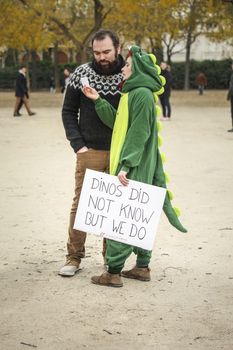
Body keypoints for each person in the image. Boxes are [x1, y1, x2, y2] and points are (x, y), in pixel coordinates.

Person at [82, 45, 187, 288]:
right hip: (140, 162)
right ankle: (142, 266)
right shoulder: (135, 93)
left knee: (122, 215)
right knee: (141, 213)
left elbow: (139, 133)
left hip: (134, 164)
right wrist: (97, 99)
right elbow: (120, 123)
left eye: (128, 65)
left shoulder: (140, 94)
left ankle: (113, 272)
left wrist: (126, 165)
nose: (123, 68)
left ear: (137, 68)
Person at [59, 29, 125, 277]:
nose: (102, 57)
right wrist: (79, 145)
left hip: (120, 153)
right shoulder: (81, 74)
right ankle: (74, 256)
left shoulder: (128, 75)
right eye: (97, 53)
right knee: (81, 205)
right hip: (90, 151)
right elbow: (68, 112)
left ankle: (111, 258)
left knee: (115, 206)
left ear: (117, 47)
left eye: (106, 51)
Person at [227, 62, 233, 132]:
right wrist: (229, 96)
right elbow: (231, 87)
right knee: (232, 112)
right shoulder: (232, 75)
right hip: (232, 95)